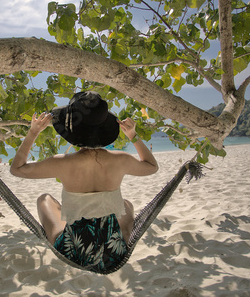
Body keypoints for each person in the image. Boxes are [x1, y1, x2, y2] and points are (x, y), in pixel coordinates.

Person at [10, 91, 158, 271]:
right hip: (114, 251)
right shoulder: (121, 159)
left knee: (44, 199)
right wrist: (133, 136)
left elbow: (17, 169)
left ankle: (70, 226)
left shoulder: (62, 162)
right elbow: (151, 166)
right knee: (127, 205)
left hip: (74, 251)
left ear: (72, 130)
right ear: (104, 127)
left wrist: (33, 133)